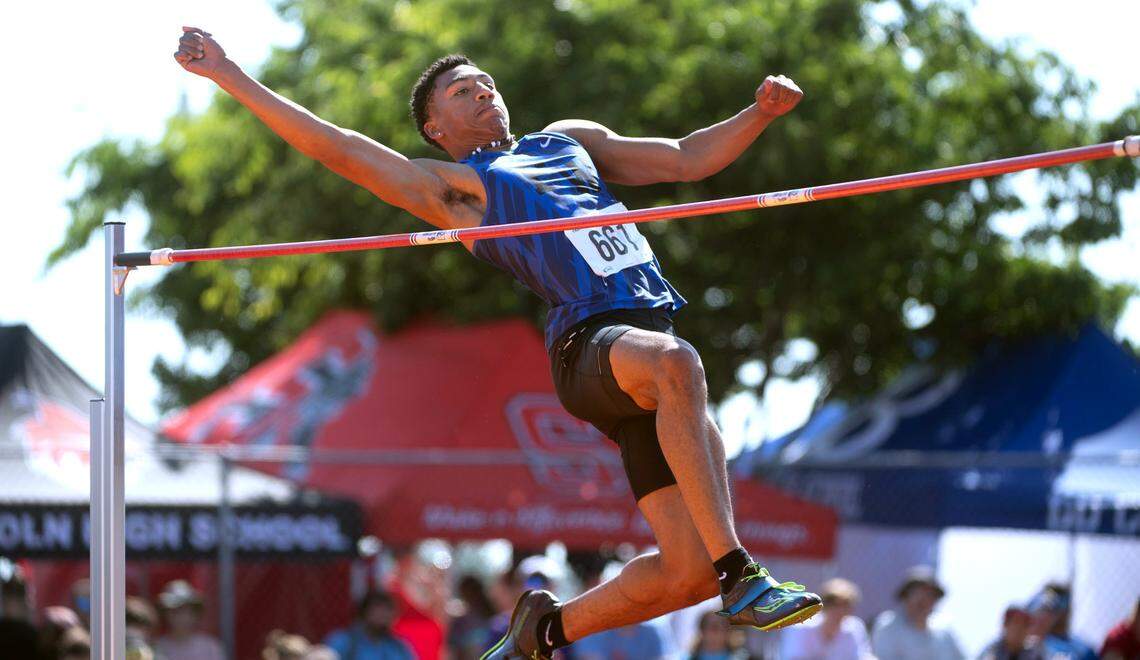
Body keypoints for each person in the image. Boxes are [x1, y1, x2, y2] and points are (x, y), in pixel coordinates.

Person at [174, 24, 820, 660]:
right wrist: (228, 75)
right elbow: (338, 148)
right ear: (436, 129)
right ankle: (740, 572)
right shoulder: (461, 189)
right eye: (461, 91)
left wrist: (758, 113)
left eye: (486, 82)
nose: (483, 90)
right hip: (590, 344)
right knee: (679, 365)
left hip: (650, 353)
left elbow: (686, 157)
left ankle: (543, 631)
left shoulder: (571, 141)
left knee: (686, 574)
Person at [871, 566, 963, 660]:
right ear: (905, 597)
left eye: (931, 596)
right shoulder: (888, 625)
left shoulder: (945, 632)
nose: (925, 600)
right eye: (918, 595)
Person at [780, 578, 873, 660]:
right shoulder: (800, 627)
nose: (840, 611)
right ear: (823, 606)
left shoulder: (854, 628)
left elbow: (862, 656)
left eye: (845, 606)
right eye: (834, 605)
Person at [323, 588, 416, 660]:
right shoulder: (343, 641)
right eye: (379, 607)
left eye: (389, 609)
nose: (384, 614)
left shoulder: (399, 647)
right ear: (365, 610)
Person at [154, 579, 225, 660]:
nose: (181, 617)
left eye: (186, 611)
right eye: (176, 611)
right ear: (165, 614)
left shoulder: (210, 647)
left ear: (195, 614)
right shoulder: (157, 648)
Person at [1026, 584, 1097, 660]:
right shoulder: (1023, 646)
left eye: (1052, 610)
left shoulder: (1083, 650)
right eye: (1042, 610)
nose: (1042, 616)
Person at [450, 575, 499, 660]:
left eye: (473, 591)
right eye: (466, 592)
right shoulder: (459, 623)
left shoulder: (496, 617)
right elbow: (454, 650)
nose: (471, 596)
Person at [688, 609, 759, 660]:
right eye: (714, 627)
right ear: (702, 631)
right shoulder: (687, 657)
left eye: (724, 626)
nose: (720, 631)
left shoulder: (745, 657)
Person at [977, 605, 1043, 660]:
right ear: (1005, 625)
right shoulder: (991, 652)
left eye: (1025, 625)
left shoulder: (1035, 654)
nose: (1019, 629)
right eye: (1016, 623)